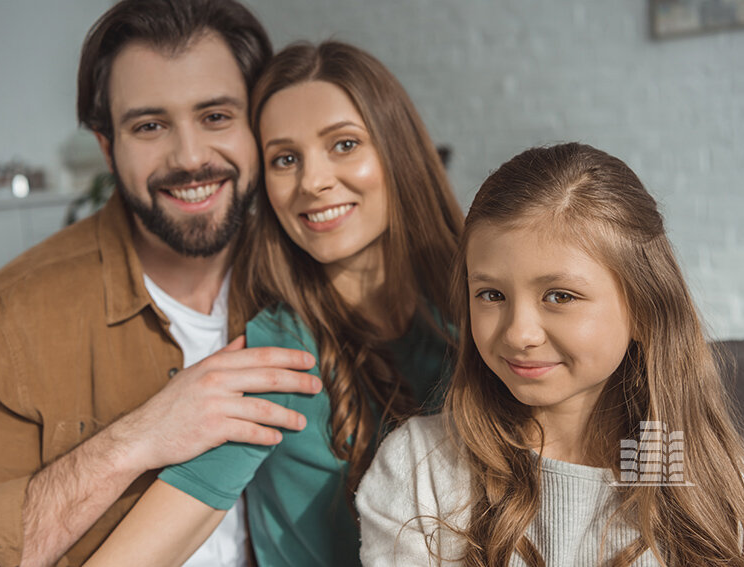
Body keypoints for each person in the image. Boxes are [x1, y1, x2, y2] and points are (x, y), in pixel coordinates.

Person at [0, 1, 325, 566]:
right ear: (107, 147)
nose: (189, 158)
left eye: (215, 116)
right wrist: (133, 441)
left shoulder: (315, 277)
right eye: (150, 126)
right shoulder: (7, 320)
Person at [83, 41, 464, 567]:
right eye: (285, 159)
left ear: (398, 150)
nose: (313, 181)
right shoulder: (281, 355)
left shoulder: (472, 311)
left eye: (344, 145)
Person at [356, 143, 744, 566]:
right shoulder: (419, 468)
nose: (519, 334)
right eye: (492, 294)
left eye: (559, 296)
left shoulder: (703, 474)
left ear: (645, 310)